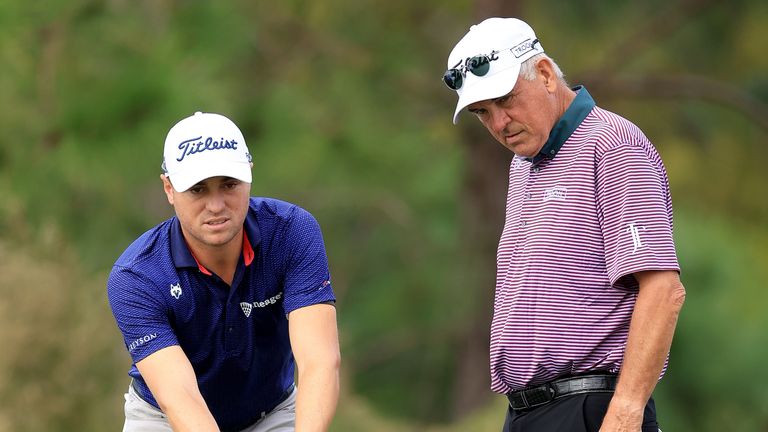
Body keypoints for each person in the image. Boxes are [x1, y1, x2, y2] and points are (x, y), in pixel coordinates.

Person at [443, 18, 686, 432]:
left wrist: (626, 411)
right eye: (483, 113)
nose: (499, 123)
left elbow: (663, 289)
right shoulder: (524, 166)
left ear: (544, 73)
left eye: (506, 100)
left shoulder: (613, 146)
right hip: (528, 413)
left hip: (593, 410)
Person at [107, 112, 340, 432]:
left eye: (229, 184)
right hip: (165, 420)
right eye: (198, 189)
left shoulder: (292, 232)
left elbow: (319, 363)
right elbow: (180, 398)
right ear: (169, 188)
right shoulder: (137, 275)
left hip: (272, 412)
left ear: (249, 175)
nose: (216, 206)